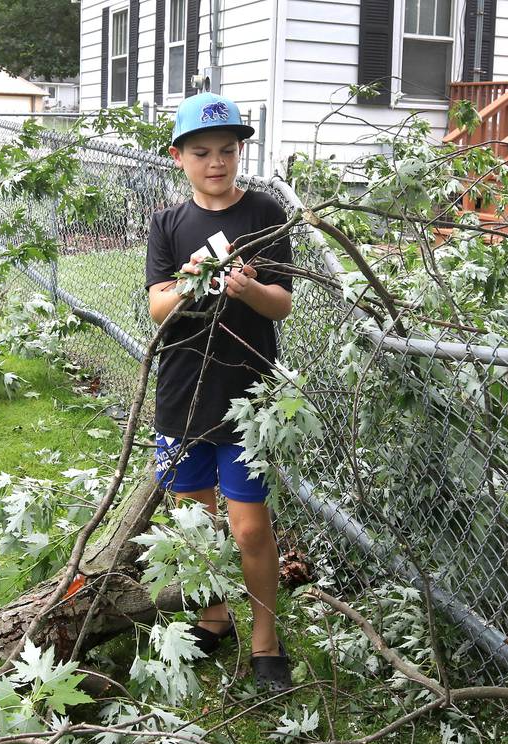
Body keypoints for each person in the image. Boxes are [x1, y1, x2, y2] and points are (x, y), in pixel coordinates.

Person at [145, 92, 293, 692]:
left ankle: (266, 641)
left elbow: (281, 302)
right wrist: (189, 284)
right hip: (182, 394)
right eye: (202, 152)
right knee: (196, 522)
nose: (216, 162)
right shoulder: (168, 224)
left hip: (247, 395)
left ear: (239, 153)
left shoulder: (264, 213)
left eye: (227, 150)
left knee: (250, 527)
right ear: (179, 157)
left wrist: (246, 291)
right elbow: (157, 308)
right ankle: (214, 616)